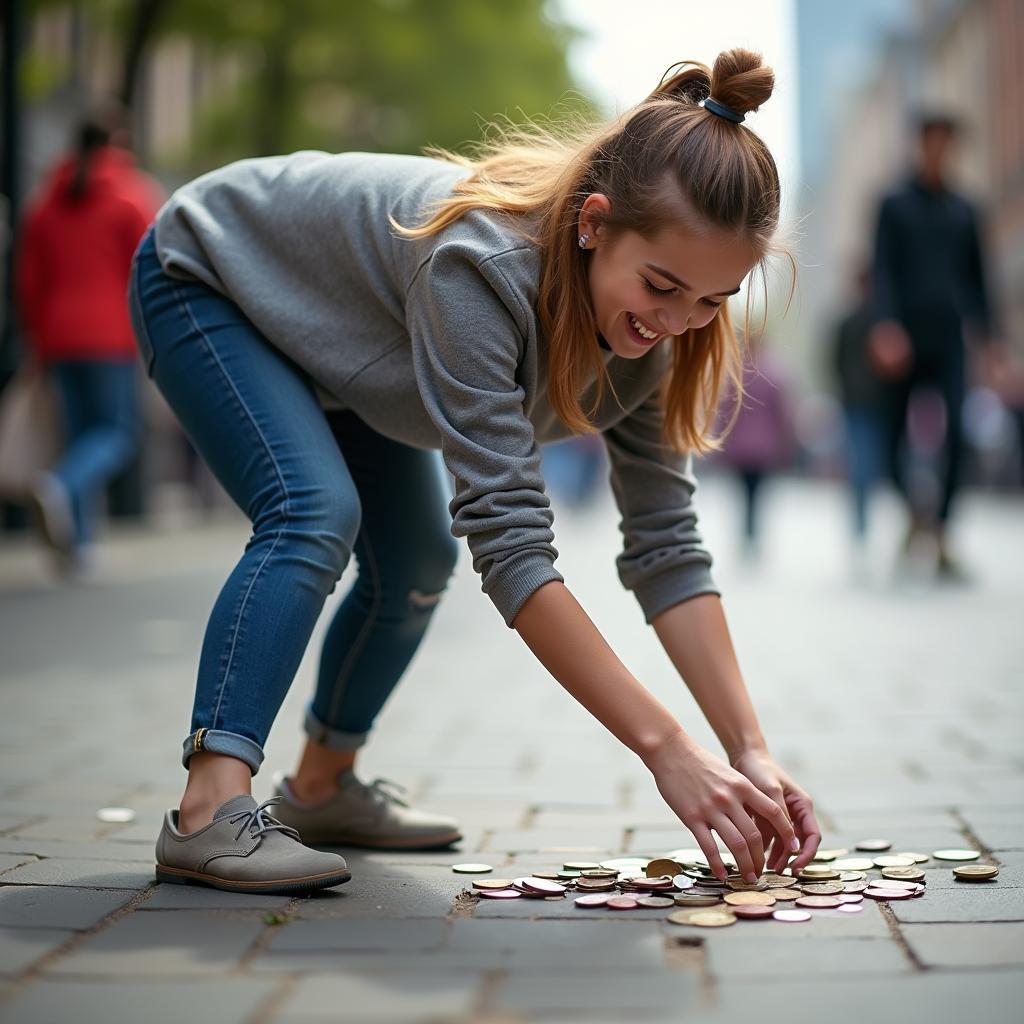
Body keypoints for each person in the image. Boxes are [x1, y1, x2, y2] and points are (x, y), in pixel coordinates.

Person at [130, 49, 822, 895]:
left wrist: (746, 747)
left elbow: (667, 545)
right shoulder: (480, 266)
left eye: (713, 300)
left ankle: (320, 788)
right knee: (314, 510)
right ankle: (209, 806)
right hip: (211, 275)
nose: (678, 322)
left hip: (349, 345)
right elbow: (514, 544)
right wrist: (666, 749)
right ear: (594, 223)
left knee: (417, 559)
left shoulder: (658, 342)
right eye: (662, 285)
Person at [17, 106, 162, 576]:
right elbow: (153, 265)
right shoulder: (131, 195)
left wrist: (36, 335)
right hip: (111, 334)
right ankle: (63, 486)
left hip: (57, 334)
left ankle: (76, 546)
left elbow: (28, 279)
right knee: (116, 434)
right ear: (117, 143)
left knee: (81, 433)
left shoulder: (45, 200)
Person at [868, 112, 999, 578]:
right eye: (931, 141)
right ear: (919, 144)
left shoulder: (966, 210)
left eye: (947, 142)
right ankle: (917, 515)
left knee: (961, 436)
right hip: (901, 339)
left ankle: (940, 529)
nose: (938, 150)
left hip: (948, 339)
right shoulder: (892, 204)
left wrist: (993, 342)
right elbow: (880, 270)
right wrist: (883, 326)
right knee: (889, 444)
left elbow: (980, 281)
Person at [714, 335, 795, 559]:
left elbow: (724, 411)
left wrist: (720, 440)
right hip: (764, 447)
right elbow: (783, 412)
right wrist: (786, 440)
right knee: (757, 494)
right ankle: (752, 533)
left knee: (743, 494)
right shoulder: (774, 373)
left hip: (739, 447)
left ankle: (747, 534)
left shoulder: (735, 373)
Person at [832, 266, 885, 553]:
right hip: (863, 403)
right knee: (864, 463)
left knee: (863, 463)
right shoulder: (867, 322)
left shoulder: (854, 322)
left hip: (860, 402)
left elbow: (834, 362)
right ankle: (862, 524)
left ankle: (863, 523)